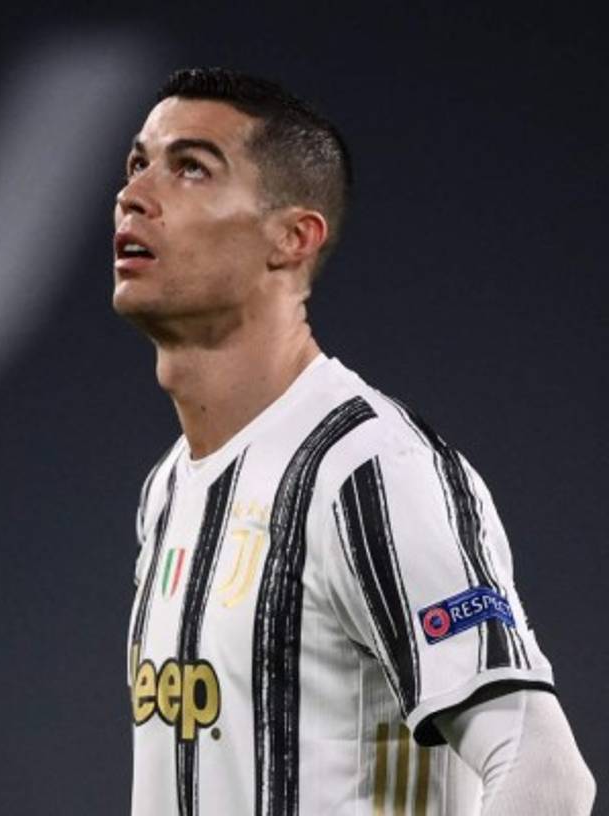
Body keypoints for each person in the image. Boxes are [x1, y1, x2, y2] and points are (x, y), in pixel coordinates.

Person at [114, 67, 596, 815]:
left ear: (293, 238)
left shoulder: (369, 472)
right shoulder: (171, 486)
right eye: (138, 163)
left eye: (191, 168)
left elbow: (546, 778)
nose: (135, 194)